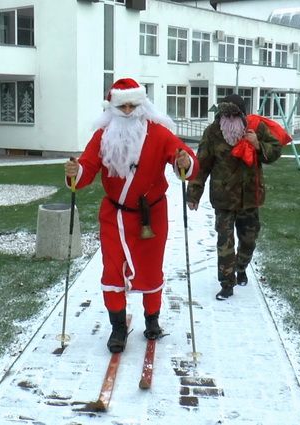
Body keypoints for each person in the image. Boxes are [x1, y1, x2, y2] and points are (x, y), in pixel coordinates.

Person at [64, 78, 199, 353]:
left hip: (152, 215)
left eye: (132, 105)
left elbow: (180, 154)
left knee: (151, 269)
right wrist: (75, 172)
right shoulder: (102, 135)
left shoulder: (159, 132)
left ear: (142, 104)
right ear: (112, 107)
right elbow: (87, 167)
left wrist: (184, 161)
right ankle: (118, 328)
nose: (127, 111)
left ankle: (152, 320)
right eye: (122, 106)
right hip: (114, 216)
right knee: (112, 271)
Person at [186, 94, 282, 300]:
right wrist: (193, 194)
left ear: (242, 115)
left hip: (250, 196)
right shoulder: (212, 133)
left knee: (249, 240)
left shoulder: (256, 129)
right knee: (225, 241)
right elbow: (201, 165)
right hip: (223, 198)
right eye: (224, 114)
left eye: (233, 114)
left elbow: (275, 150)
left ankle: (241, 267)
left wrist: (258, 145)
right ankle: (227, 283)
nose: (228, 118)